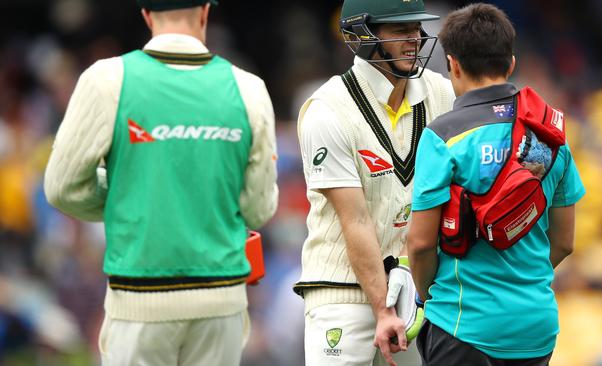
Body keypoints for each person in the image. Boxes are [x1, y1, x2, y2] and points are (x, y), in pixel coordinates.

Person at [43, 0, 278, 364]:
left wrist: (130, 197)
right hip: (222, 300)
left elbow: (62, 188)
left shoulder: (107, 79)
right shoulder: (248, 87)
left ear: (147, 15)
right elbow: (258, 207)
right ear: (204, 12)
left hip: (139, 297)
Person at [407, 3, 585, 366]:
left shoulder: (442, 136)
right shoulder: (551, 134)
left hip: (463, 326)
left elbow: (421, 243)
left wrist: (428, 296)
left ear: (452, 64)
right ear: (512, 63)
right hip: (536, 331)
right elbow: (564, 243)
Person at [292, 0, 455, 364]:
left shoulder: (441, 93)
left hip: (412, 294)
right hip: (342, 295)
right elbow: (356, 220)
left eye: (416, 28)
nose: (414, 39)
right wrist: (382, 310)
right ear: (362, 35)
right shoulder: (327, 110)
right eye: (400, 30)